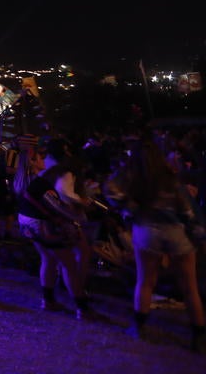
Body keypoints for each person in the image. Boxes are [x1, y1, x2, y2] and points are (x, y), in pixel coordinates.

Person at [106, 131, 205, 350]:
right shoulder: (170, 178)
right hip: (176, 232)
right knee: (189, 287)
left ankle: (138, 328)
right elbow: (187, 212)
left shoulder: (134, 177)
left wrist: (129, 209)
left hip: (146, 231)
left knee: (145, 281)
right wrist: (197, 234)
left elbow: (110, 189)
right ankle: (198, 338)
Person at [15, 139, 91, 319]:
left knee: (48, 259)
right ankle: (82, 309)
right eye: (40, 157)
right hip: (42, 223)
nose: (43, 160)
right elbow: (59, 201)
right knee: (69, 264)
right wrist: (79, 214)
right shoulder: (52, 177)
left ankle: (48, 301)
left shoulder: (37, 175)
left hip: (26, 220)